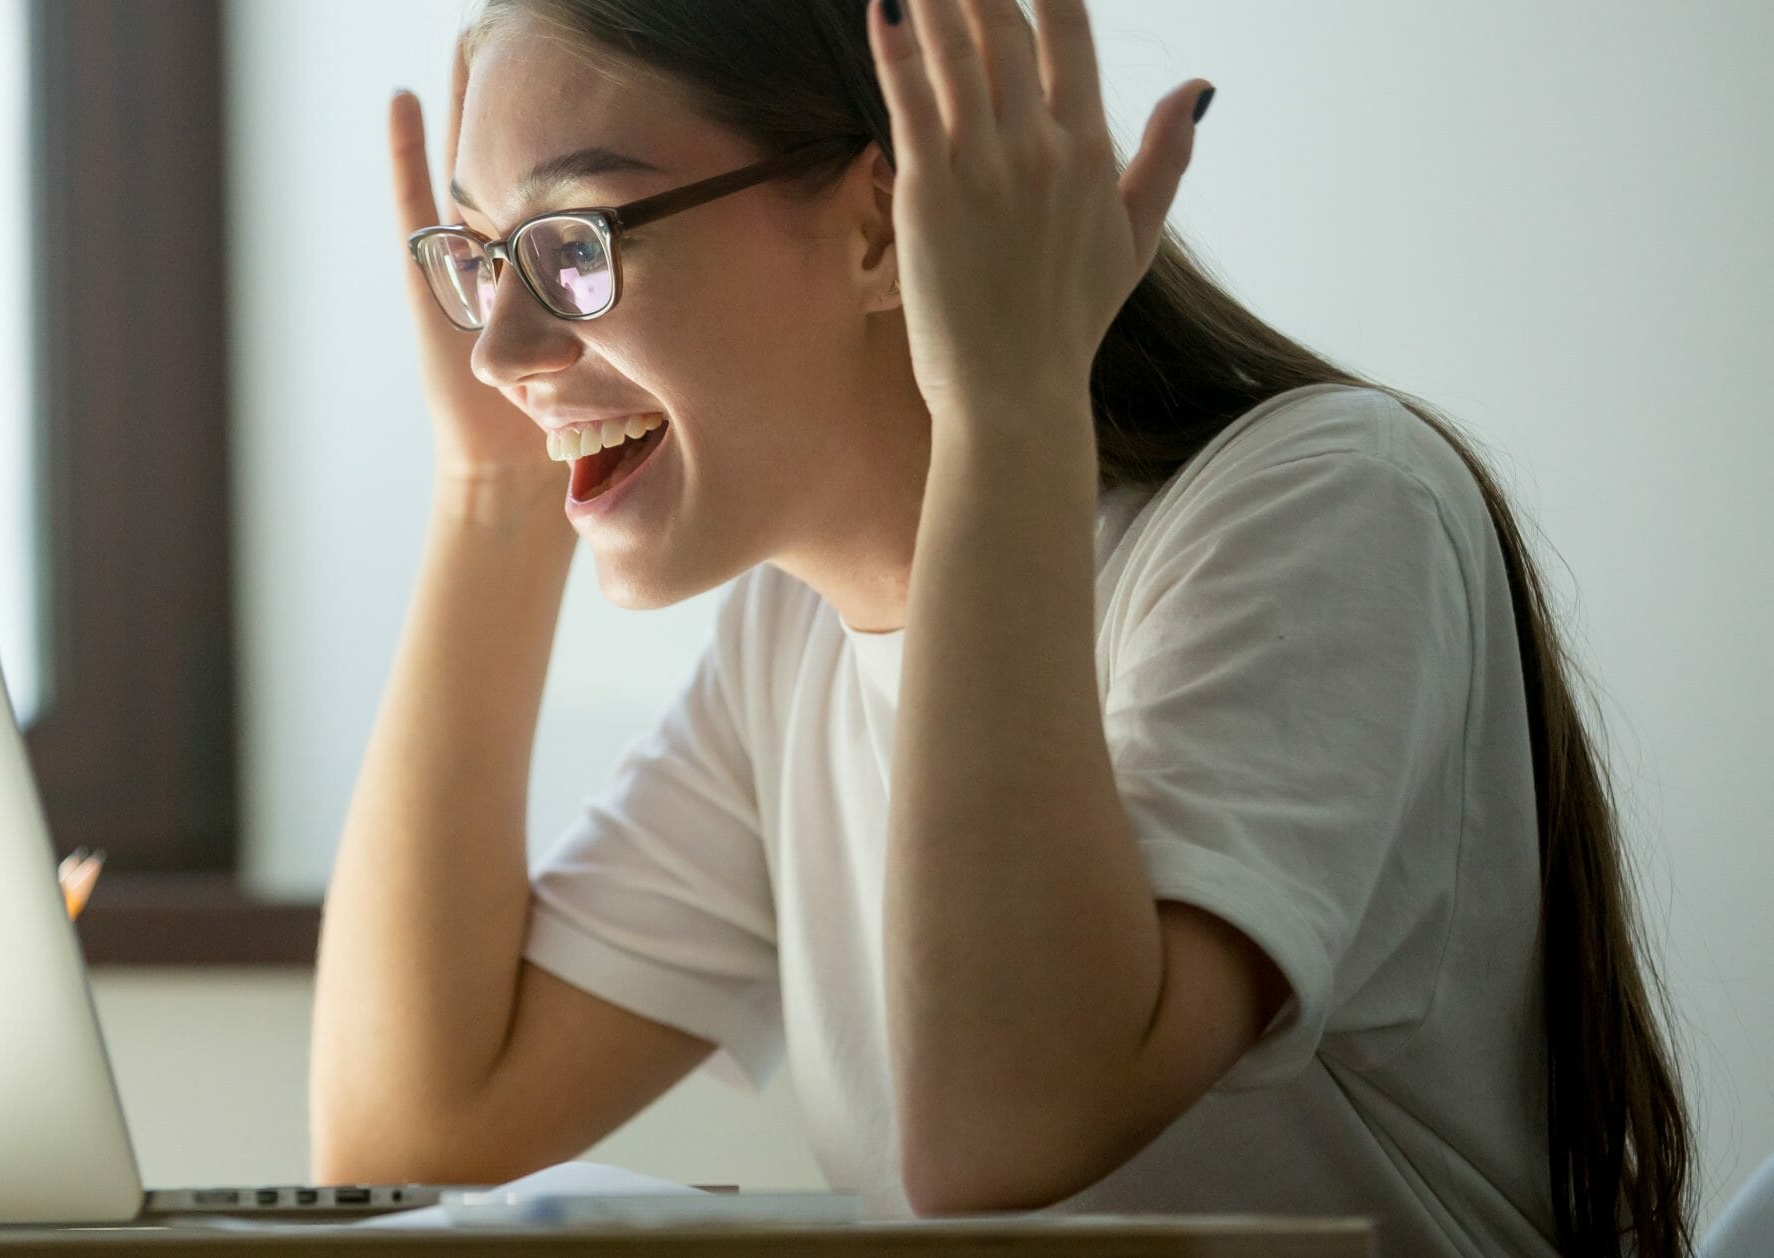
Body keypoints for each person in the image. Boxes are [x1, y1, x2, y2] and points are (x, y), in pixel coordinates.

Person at [305, 1, 1693, 1254]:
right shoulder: (786, 646)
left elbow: (1002, 1142)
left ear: (879, 224)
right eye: (484, 258)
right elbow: (407, 1141)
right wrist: (488, 488)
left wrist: (1013, 403)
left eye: (574, 244)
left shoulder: (1324, 504)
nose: (500, 350)